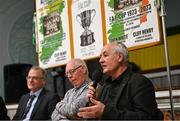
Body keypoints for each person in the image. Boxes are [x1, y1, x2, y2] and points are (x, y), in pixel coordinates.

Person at [77, 41, 163, 120]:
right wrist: (93, 107)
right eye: (100, 57)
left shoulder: (140, 83)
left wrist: (105, 112)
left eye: (105, 55)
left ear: (120, 57)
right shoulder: (105, 87)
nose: (100, 60)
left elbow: (147, 118)